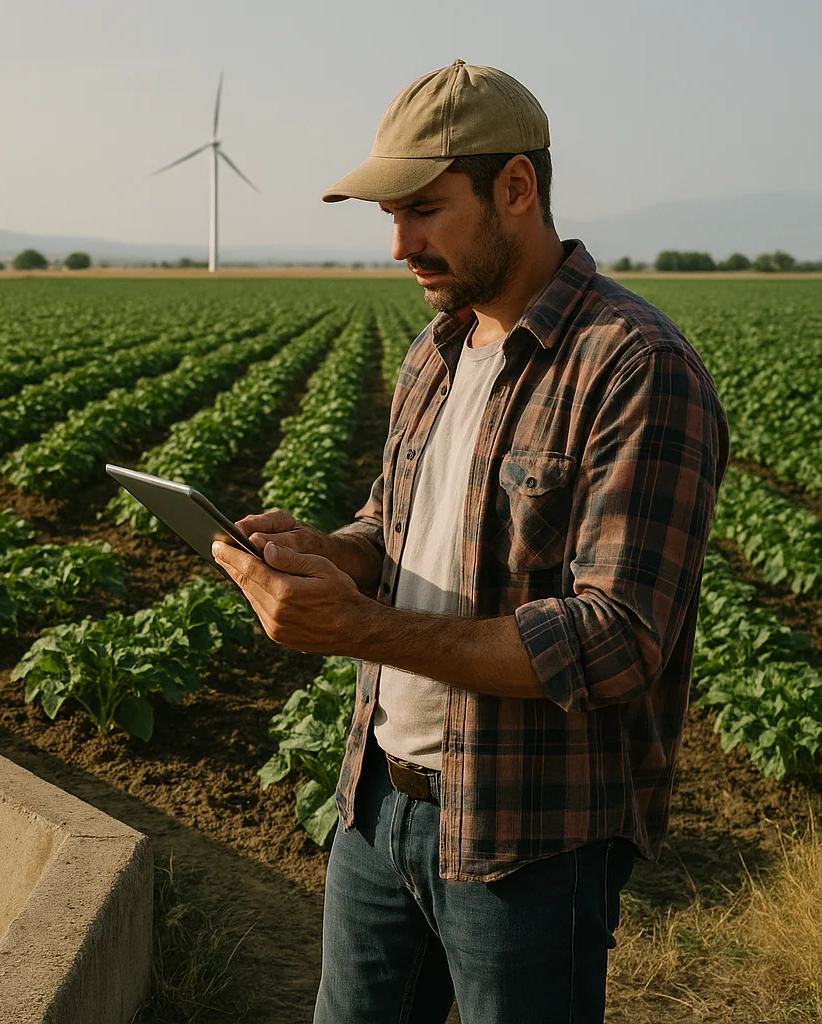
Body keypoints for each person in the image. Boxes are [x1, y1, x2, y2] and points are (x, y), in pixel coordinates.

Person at [212, 60, 728, 1023]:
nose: (400, 244)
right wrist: (333, 552)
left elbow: (615, 636)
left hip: (528, 837)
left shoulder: (634, 366)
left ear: (517, 189)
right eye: (389, 218)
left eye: (424, 210)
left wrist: (359, 627)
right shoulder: (438, 348)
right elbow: (392, 522)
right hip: (378, 804)